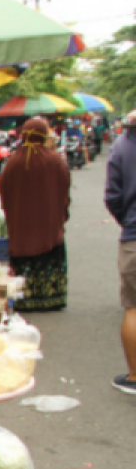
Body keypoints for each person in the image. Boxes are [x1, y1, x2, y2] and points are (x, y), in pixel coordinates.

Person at [0, 118, 71, 311]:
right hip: (48, 225)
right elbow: (64, 187)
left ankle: (25, 298)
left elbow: (3, 189)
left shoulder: (13, 161)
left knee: (25, 262)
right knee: (49, 258)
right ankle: (52, 297)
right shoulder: (55, 160)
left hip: (22, 226)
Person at [105, 109, 136, 395]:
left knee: (134, 308)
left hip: (134, 237)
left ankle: (135, 376)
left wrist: (127, 220)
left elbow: (112, 196)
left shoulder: (122, 146)